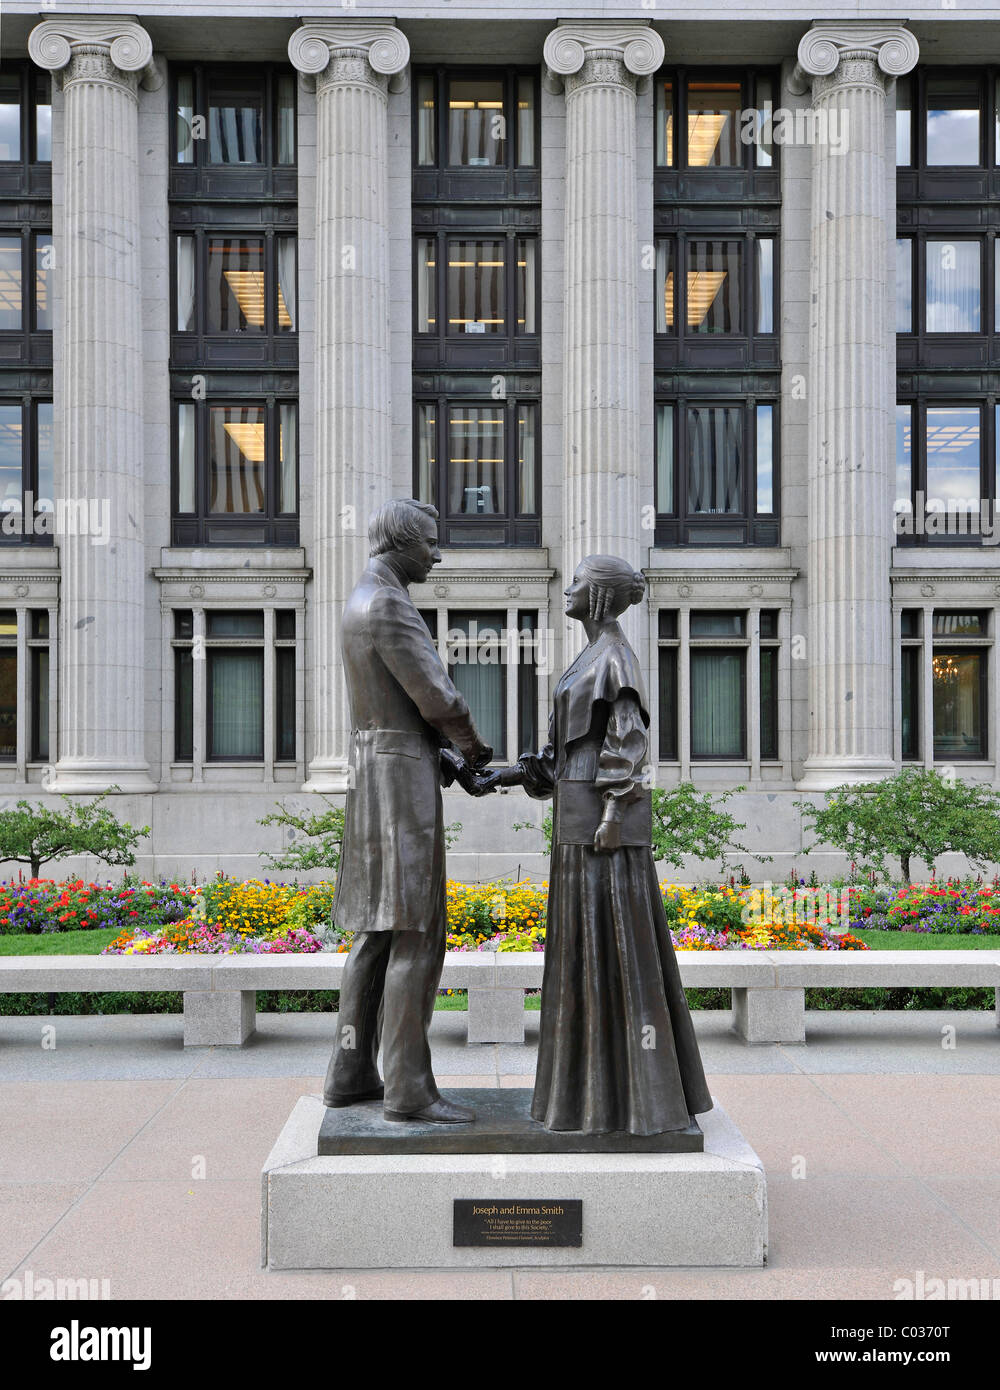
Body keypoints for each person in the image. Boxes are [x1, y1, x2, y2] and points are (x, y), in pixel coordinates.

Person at [486, 555, 713, 1136]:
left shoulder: (615, 658)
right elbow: (562, 756)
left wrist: (612, 814)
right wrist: (506, 776)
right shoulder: (589, 657)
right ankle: (589, 1094)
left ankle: (628, 1100)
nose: (568, 590)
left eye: (580, 584)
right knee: (582, 951)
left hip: (599, 829)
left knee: (611, 949)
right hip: (577, 816)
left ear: (605, 598)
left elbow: (628, 745)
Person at [322, 498, 493, 1125]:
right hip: (399, 783)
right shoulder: (391, 602)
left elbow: (394, 710)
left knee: (377, 929)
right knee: (417, 929)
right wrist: (473, 750)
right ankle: (409, 1089)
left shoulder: (359, 598)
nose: (438, 554)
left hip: (374, 768)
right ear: (401, 544)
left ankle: (350, 1073)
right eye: (430, 542)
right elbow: (436, 699)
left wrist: (449, 764)